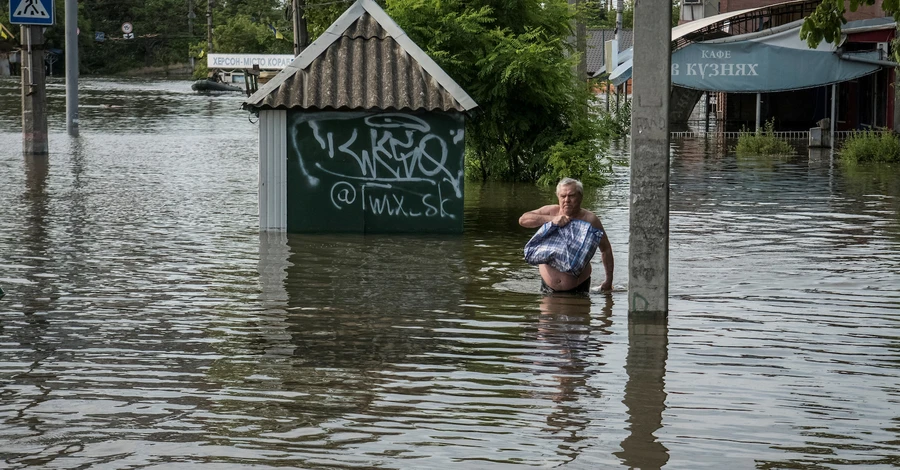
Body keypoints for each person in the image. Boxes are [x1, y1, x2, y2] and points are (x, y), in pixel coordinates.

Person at [519, 178, 614, 293]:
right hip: (547, 288)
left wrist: (608, 281)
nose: (567, 200)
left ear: (580, 196)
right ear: (558, 197)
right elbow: (523, 220)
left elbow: (606, 249)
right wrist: (552, 220)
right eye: (563, 196)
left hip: (579, 287)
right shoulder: (551, 211)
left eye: (571, 196)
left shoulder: (590, 220)